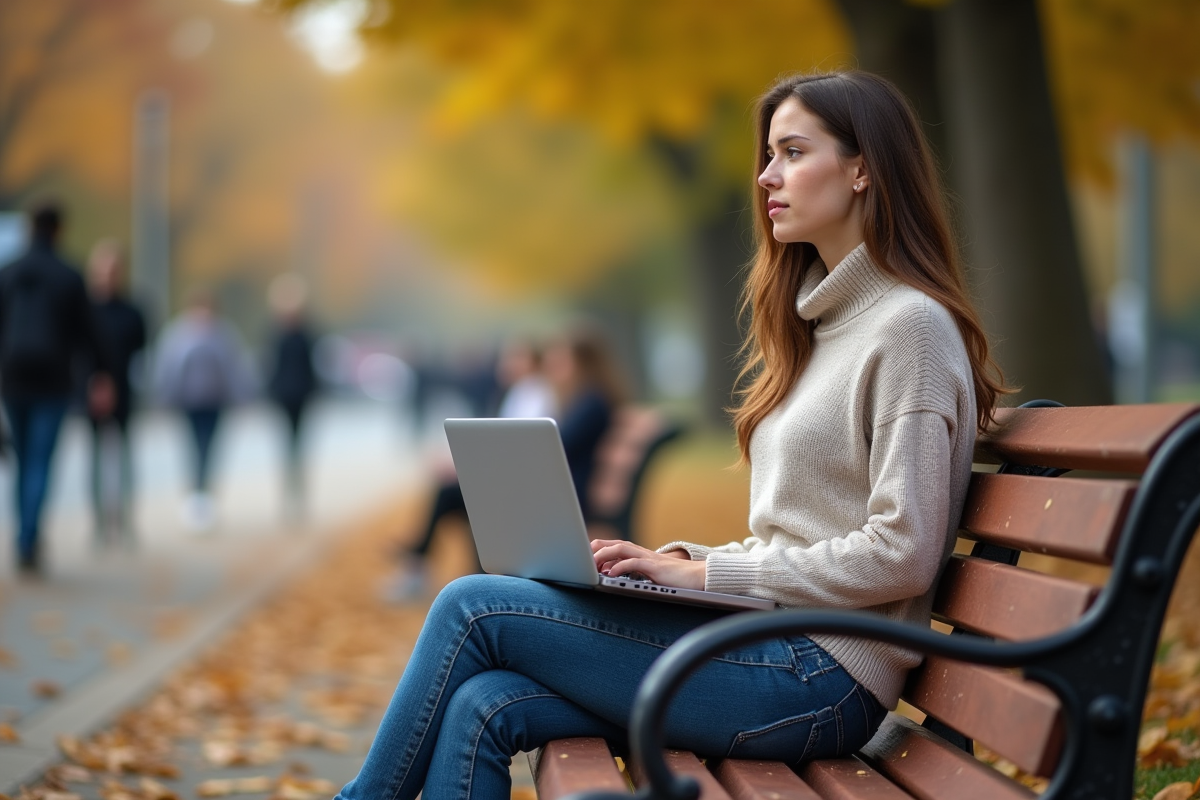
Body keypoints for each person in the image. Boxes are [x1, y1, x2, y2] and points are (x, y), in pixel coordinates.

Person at [335, 70, 1007, 800]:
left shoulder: (908, 330)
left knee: (471, 606)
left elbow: (902, 552)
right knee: (484, 702)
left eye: (791, 152)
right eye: (768, 154)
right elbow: (799, 538)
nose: (765, 175)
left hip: (821, 679)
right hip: (773, 647)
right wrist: (681, 561)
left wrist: (709, 579)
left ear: (862, 169)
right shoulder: (825, 331)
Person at [384, 333, 609, 602]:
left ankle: (453, 572)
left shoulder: (588, 401)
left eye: (561, 359)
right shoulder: (574, 398)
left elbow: (550, 449)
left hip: (561, 494)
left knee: (465, 496)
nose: (553, 365)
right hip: (548, 486)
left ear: (583, 362)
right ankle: (462, 575)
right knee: (462, 493)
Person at [0, 202, 111, 575]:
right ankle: (29, 538)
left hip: (12, 380)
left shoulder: (9, 273)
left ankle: (23, 536)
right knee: (41, 461)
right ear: (59, 230)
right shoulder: (68, 275)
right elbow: (88, 333)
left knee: (21, 458)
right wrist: (99, 373)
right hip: (53, 382)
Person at [153, 290, 255, 531]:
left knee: (209, 450)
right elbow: (168, 369)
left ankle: (205, 498)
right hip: (189, 403)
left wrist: (242, 399)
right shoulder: (178, 334)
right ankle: (195, 499)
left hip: (215, 403)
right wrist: (163, 399)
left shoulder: (223, 335)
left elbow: (234, 370)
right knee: (192, 449)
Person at [83, 239, 148, 547]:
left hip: (123, 391)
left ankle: (125, 522)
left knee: (124, 458)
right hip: (90, 391)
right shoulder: (84, 308)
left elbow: (140, 349)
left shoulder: (132, 311)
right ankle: (98, 524)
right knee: (94, 458)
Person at [264, 274, 318, 521]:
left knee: (298, 448)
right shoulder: (277, 335)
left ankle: (298, 498)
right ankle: (288, 498)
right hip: (285, 397)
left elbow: (312, 367)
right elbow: (271, 367)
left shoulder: (305, 335)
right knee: (287, 448)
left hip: (301, 397)